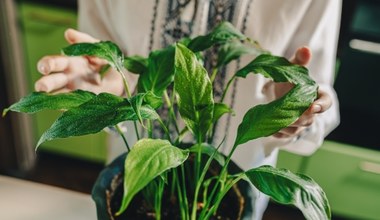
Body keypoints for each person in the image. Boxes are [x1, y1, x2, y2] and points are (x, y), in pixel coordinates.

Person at [34, 0, 341, 219]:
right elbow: (106, 52)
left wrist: (294, 105)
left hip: (235, 181)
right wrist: (105, 82)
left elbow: (316, 91)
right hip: (136, 169)